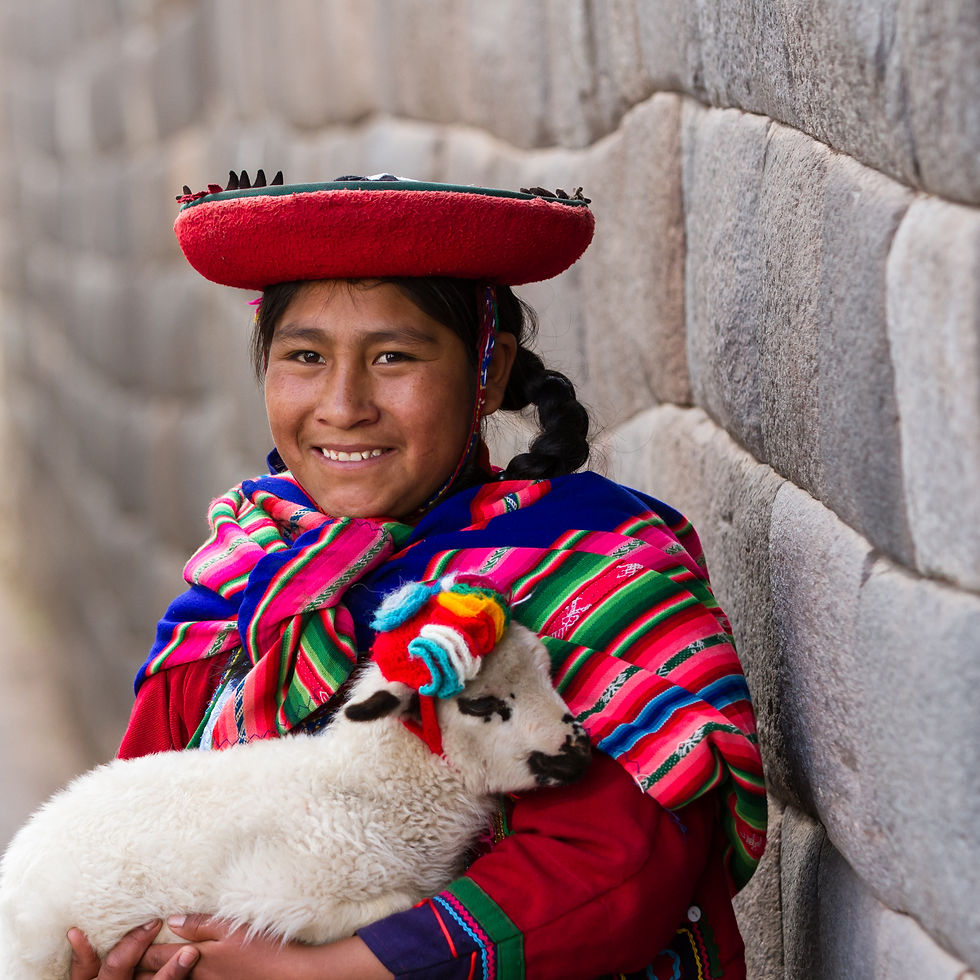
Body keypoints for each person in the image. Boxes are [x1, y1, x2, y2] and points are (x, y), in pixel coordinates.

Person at [68, 173, 766, 980]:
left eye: (393, 357)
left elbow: (617, 865)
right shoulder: (244, 578)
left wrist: (325, 971)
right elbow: (142, 820)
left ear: (490, 372)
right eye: (304, 357)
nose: (343, 403)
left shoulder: (592, 571)